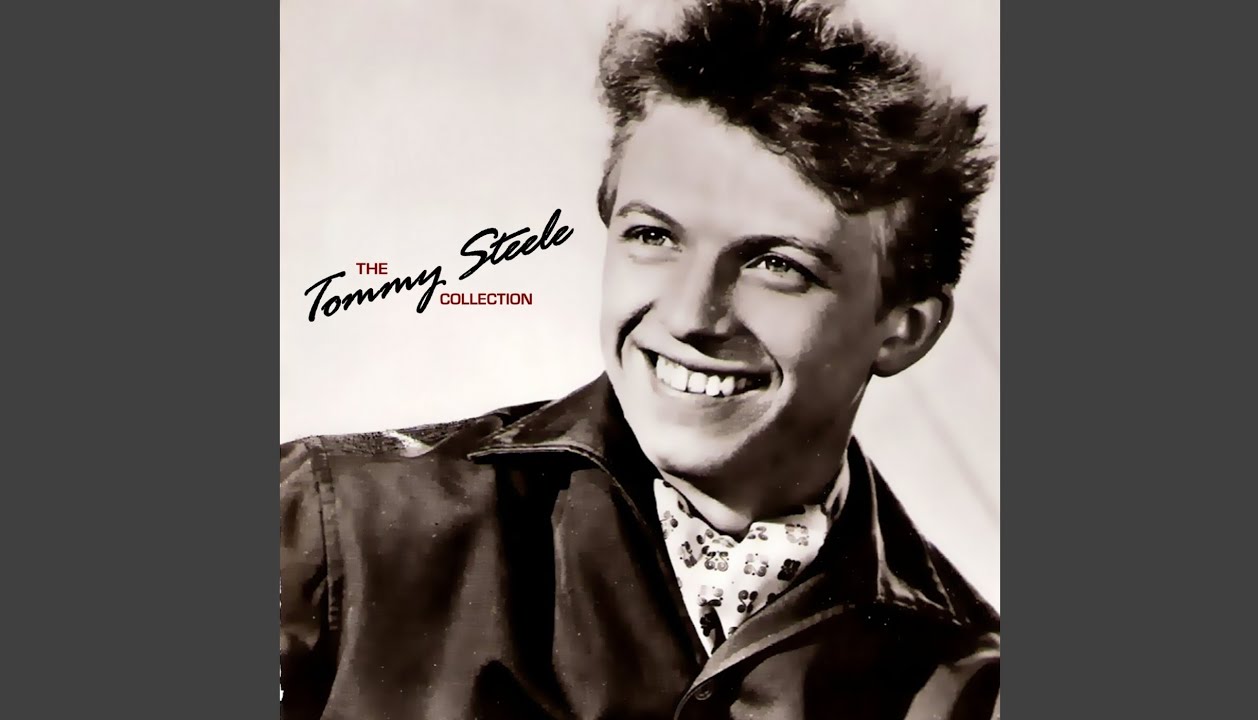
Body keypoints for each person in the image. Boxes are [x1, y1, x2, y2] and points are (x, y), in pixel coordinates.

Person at [280, 1, 1000, 718]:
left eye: (778, 265)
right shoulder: (331, 530)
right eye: (654, 236)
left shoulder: (970, 683)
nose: (690, 316)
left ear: (905, 331)